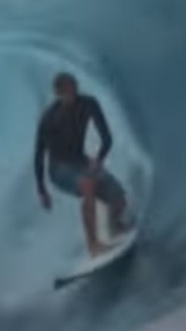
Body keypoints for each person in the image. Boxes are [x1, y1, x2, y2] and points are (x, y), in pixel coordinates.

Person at [34, 72, 130, 257]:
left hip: (81, 161)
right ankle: (93, 246)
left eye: (73, 90)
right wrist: (42, 190)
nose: (72, 95)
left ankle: (115, 226)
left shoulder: (89, 104)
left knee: (120, 199)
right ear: (58, 94)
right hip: (58, 170)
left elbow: (107, 138)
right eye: (66, 93)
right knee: (88, 184)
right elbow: (39, 155)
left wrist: (99, 159)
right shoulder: (49, 118)